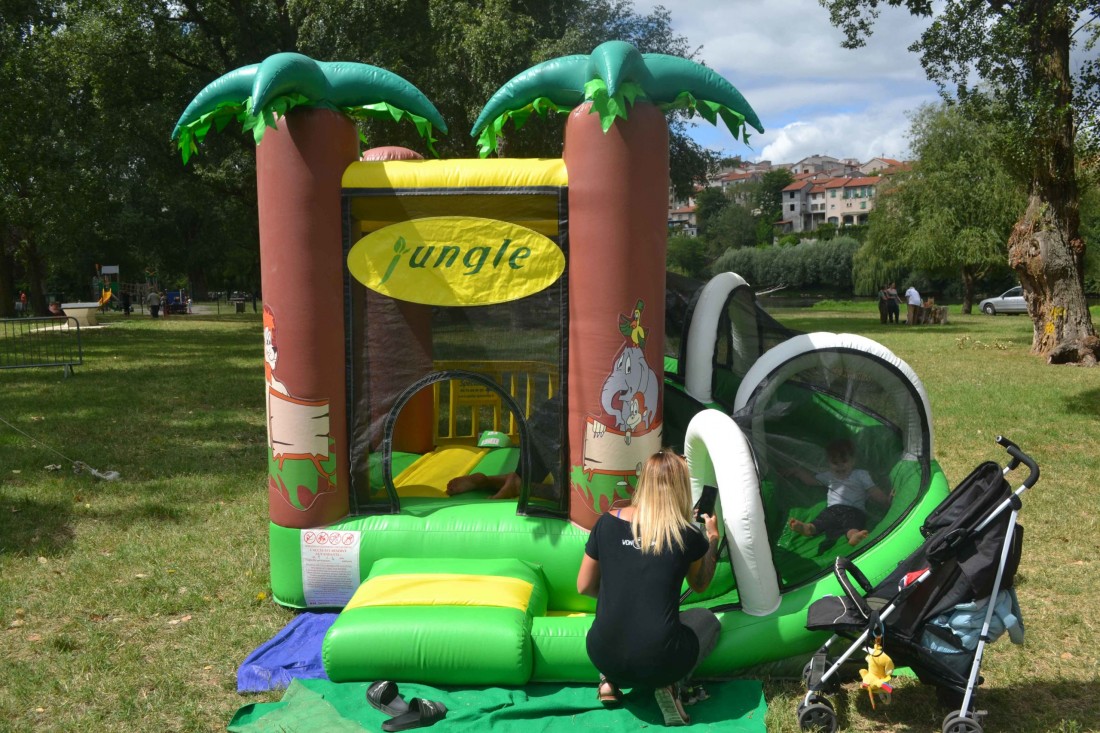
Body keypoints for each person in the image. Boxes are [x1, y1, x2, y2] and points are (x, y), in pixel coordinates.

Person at [577, 450, 721, 727]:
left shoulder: (606, 523)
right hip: (659, 659)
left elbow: (583, 586)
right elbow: (701, 585)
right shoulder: (687, 534)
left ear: (644, 481)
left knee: (621, 624)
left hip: (603, 653)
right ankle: (671, 683)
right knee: (706, 619)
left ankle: (608, 682)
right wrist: (712, 537)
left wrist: (620, 596)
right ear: (681, 488)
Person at [782, 438, 893, 547]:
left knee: (852, 524)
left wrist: (885, 500)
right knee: (822, 520)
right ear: (829, 463)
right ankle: (809, 528)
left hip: (854, 510)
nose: (840, 466)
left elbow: (873, 490)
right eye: (835, 462)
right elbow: (811, 481)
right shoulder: (828, 476)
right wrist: (798, 472)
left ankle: (853, 536)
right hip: (833, 509)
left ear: (853, 461)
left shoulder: (860, 474)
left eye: (844, 461)